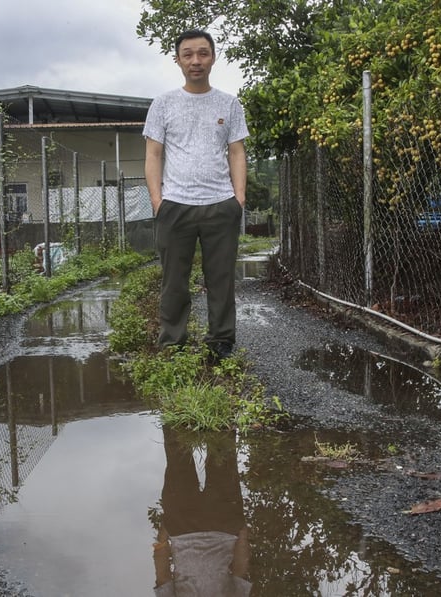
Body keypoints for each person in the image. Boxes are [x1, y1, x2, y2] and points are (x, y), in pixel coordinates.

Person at [143, 29, 249, 361]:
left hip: (220, 204)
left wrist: (239, 199)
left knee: (221, 280)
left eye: (203, 53)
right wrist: (158, 201)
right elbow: (154, 155)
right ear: (178, 60)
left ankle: (221, 342)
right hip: (175, 206)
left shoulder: (229, 104)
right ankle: (173, 342)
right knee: (174, 281)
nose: (196, 61)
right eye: (188, 54)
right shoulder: (162, 104)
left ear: (213, 58)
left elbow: (237, 152)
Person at [152, 428, 252, 596]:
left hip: (213, 526)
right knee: (182, 458)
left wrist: (241, 533)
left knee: (219, 459)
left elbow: (163, 577)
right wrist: (241, 534)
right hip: (199, 526)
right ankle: (211, 414)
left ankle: (188, 413)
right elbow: (239, 573)